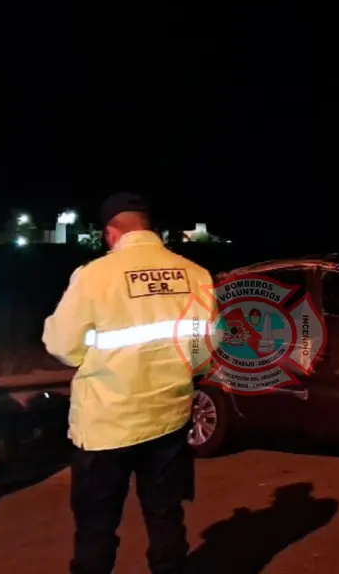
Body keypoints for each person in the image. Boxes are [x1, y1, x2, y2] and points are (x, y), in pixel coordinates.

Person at [43, 192, 217, 574]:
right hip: (169, 420)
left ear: (110, 233)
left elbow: (60, 345)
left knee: (96, 529)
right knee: (166, 517)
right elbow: (203, 352)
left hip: (107, 425)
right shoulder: (196, 275)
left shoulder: (93, 277)